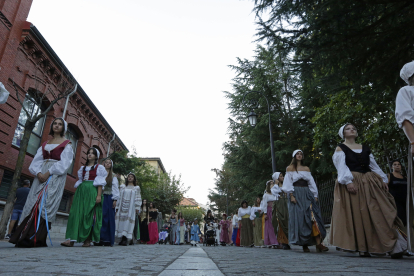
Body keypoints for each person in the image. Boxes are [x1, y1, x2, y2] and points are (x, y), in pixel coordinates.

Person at [331, 124, 407, 258]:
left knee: (378, 211)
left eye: (354, 128)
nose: (352, 129)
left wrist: (383, 179)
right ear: (342, 133)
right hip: (353, 180)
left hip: (369, 181)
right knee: (359, 214)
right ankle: (363, 247)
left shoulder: (365, 148)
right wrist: (348, 182)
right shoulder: (340, 148)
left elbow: (374, 166)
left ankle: (394, 245)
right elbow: (341, 167)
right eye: (348, 128)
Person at [10, 118, 73, 247]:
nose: (57, 125)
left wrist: (48, 173)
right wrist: (38, 173)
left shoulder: (67, 144)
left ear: (63, 128)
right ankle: (24, 236)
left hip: (55, 176)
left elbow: (64, 164)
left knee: (45, 202)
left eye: (60, 124)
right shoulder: (45, 144)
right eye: (55, 123)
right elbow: (36, 161)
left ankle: (36, 238)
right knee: (34, 202)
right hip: (40, 175)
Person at [282, 149, 328, 253]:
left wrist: (315, 194)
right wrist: (291, 195)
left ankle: (318, 243)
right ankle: (304, 244)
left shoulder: (306, 168)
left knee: (313, 217)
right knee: (301, 219)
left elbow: (311, 182)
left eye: (301, 154)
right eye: (297, 154)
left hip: (307, 193)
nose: (299, 155)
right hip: (296, 193)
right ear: (294, 156)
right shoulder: (290, 168)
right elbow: (288, 183)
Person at [61, 147, 107, 247]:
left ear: (96, 156)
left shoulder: (99, 168)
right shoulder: (82, 168)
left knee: (88, 215)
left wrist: (99, 195)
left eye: (92, 153)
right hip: (81, 191)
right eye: (88, 153)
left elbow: (100, 183)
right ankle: (71, 239)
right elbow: (81, 181)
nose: (89, 155)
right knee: (76, 214)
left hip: (92, 191)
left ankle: (87, 239)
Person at [94, 159, 119, 246]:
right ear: (104, 164)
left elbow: (115, 188)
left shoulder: (113, 176)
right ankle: (98, 238)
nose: (107, 164)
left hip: (109, 198)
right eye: (106, 163)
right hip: (100, 196)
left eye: (109, 163)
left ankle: (107, 239)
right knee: (99, 217)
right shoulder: (99, 174)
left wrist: (115, 200)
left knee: (108, 218)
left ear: (111, 165)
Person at [115, 172, 142, 246]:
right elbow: (118, 197)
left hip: (131, 208)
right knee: (120, 222)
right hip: (121, 207)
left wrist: (137, 207)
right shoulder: (122, 187)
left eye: (132, 177)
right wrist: (117, 206)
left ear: (134, 179)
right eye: (129, 176)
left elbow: (138, 198)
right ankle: (121, 238)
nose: (130, 178)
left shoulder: (136, 188)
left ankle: (125, 238)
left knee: (128, 222)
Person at [272, 172, 290, 250]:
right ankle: (284, 242)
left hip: (287, 204)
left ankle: (289, 240)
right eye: (281, 176)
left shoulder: (285, 185)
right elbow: (275, 192)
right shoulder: (274, 187)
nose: (283, 177)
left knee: (288, 221)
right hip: (280, 205)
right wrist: (276, 184)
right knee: (282, 222)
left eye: (282, 176)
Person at [387, 160, 408, 226]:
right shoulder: (389, 176)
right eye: (395, 164)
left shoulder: (405, 177)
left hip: (406, 201)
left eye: (398, 164)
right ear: (391, 167)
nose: (397, 166)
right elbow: (385, 187)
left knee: (409, 217)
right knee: (401, 219)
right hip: (396, 202)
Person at [262, 180, 281, 249]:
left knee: (277, 226)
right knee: (270, 227)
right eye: (271, 184)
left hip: (276, 210)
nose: (272, 185)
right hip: (269, 210)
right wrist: (265, 213)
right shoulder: (266, 194)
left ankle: (278, 241)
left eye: (273, 184)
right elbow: (264, 204)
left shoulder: (275, 193)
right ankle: (272, 242)